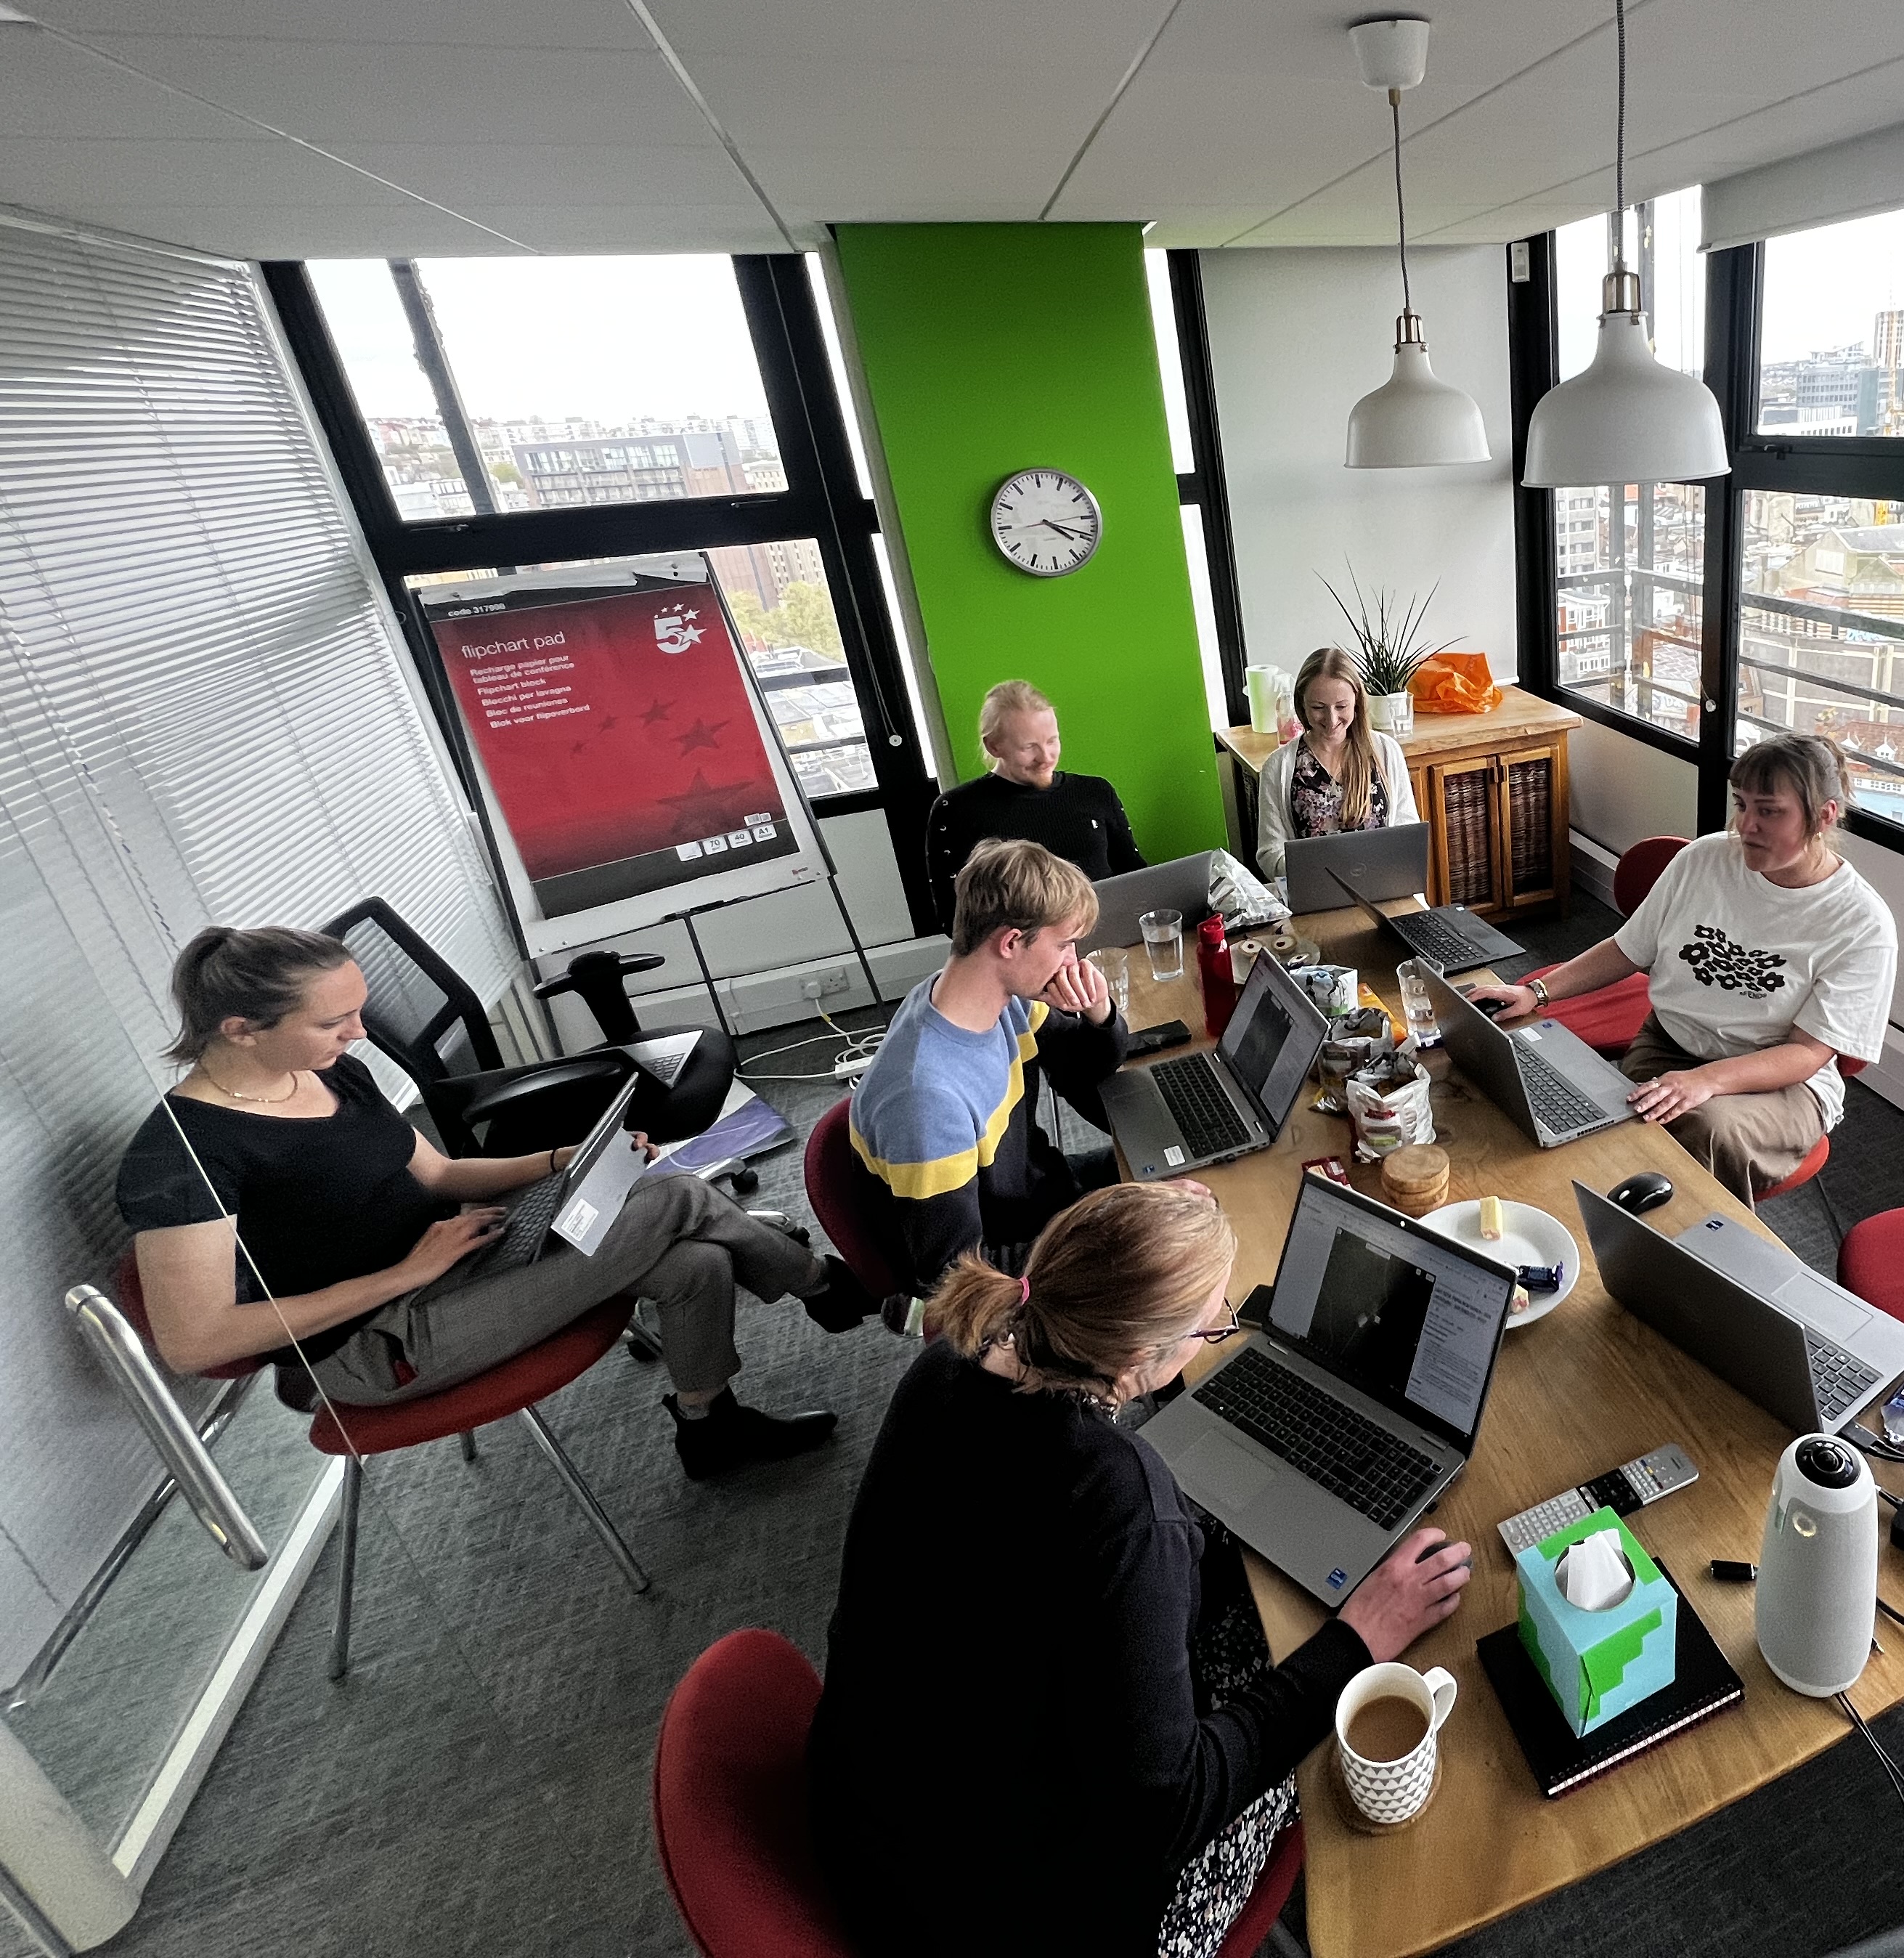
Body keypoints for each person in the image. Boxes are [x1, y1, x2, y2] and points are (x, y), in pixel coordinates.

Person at [808, 1179, 1471, 1957]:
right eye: (1210, 1324)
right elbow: (1168, 1812)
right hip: (1010, 1917)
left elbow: (1054, 1579)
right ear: (1134, 1360)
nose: (1222, 1325)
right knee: (1329, 1739)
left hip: (876, 1814)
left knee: (1246, 1601)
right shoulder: (1118, 1499)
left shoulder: (945, 1368)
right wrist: (1361, 1639)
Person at [118, 925, 871, 1479]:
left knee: (694, 1258)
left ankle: (712, 1428)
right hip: (376, 1343)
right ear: (241, 1032)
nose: (356, 1033)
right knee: (673, 1197)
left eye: (357, 1013)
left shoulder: (327, 1071)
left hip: (456, 1255)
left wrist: (559, 1160)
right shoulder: (183, 1154)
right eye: (332, 1022)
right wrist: (405, 1275)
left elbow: (441, 1177)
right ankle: (830, 1286)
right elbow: (197, 1343)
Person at [1470, 733, 1896, 1201]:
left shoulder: (1860, 922)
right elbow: (1628, 948)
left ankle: (1704, 1258)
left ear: (1824, 816)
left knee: (1701, 1128)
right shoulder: (1704, 859)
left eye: (1769, 811)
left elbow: (1807, 1055)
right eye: (1741, 804)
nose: (1746, 825)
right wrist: (1538, 993)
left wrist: (1707, 1081)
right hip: (1672, 1045)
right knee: (1588, 1127)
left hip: (1780, 1084)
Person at [849, 837, 1129, 1288]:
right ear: (1012, 942)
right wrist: (1112, 1237)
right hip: (1015, 1257)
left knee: (1191, 1174)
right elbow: (959, 1275)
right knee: (1174, 1259)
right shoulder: (927, 1100)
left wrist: (1099, 1012)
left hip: (1040, 1193)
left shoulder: (997, 1000)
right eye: (1065, 945)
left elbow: (1083, 1068)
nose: (1073, 961)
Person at [924, 677, 1144, 893]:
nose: (1046, 757)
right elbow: (956, 914)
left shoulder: (1095, 792)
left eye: (1052, 741)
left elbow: (1136, 876)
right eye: (1028, 747)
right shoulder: (957, 810)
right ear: (993, 746)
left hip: (1112, 925)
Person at [1251, 646, 1420, 885]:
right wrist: (1311, 872)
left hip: (1382, 887)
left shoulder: (1386, 752)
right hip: (1313, 893)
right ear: (1302, 704)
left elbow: (1407, 830)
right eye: (1318, 708)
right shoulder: (1279, 767)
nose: (1331, 720)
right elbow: (1270, 852)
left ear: (1357, 703)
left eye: (1341, 707)